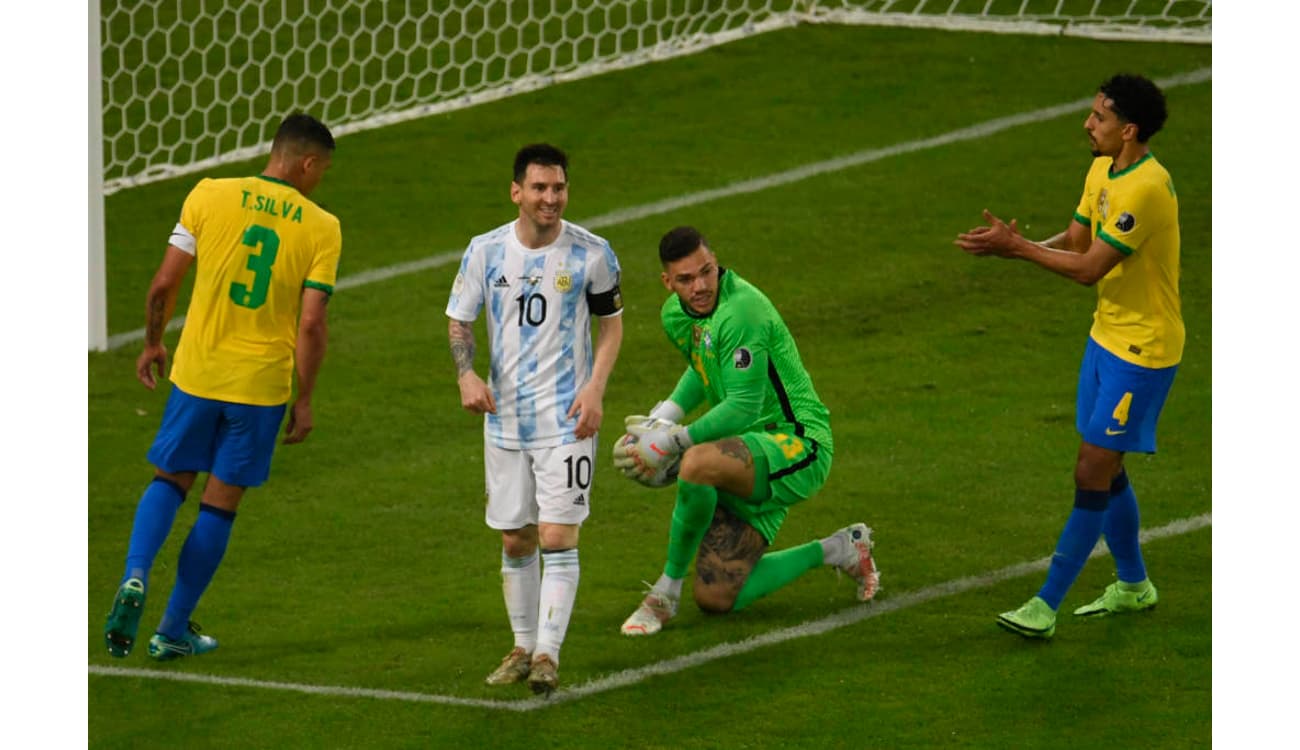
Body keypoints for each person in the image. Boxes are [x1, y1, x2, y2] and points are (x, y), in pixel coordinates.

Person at [102, 113, 341, 660]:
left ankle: (135, 575)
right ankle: (171, 630)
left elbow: (164, 283)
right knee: (219, 506)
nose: (319, 180)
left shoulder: (209, 194)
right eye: (321, 170)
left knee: (170, 479)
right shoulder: (322, 226)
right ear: (306, 163)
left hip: (198, 372)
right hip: (258, 389)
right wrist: (303, 397)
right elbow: (310, 323)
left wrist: (153, 343)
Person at [955, 73, 1181, 639]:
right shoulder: (1103, 168)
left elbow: (1087, 271)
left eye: (1099, 116)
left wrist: (1019, 250)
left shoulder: (1147, 188)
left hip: (1144, 350)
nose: (1088, 123)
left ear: (1129, 130)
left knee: (1091, 467)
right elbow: (1078, 242)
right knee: (1109, 467)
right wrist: (1015, 246)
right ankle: (1133, 584)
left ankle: (1045, 604)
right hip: (1106, 336)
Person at [613, 226, 880, 637]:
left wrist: (675, 440)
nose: (700, 286)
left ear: (716, 261)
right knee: (717, 598)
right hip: (745, 452)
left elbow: (742, 406)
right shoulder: (676, 314)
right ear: (668, 283)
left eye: (706, 271)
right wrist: (668, 411)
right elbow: (707, 362)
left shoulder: (743, 311)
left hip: (796, 444)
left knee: (697, 462)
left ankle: (663, 595)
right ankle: (840, 548)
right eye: (686, 279)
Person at [446, 143, 624, 695]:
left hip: (568, 419)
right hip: (504, 423)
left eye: (559, 188)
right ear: (517, 192)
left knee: (556, 535)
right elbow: (459, 320)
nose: (551, 198)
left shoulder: (591, 254)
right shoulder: (486, 251)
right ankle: (522, 647)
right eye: (540, 188)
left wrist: (595, 389)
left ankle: (548, 654)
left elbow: (611, 327)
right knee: (516, 540)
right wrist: (466, 375)